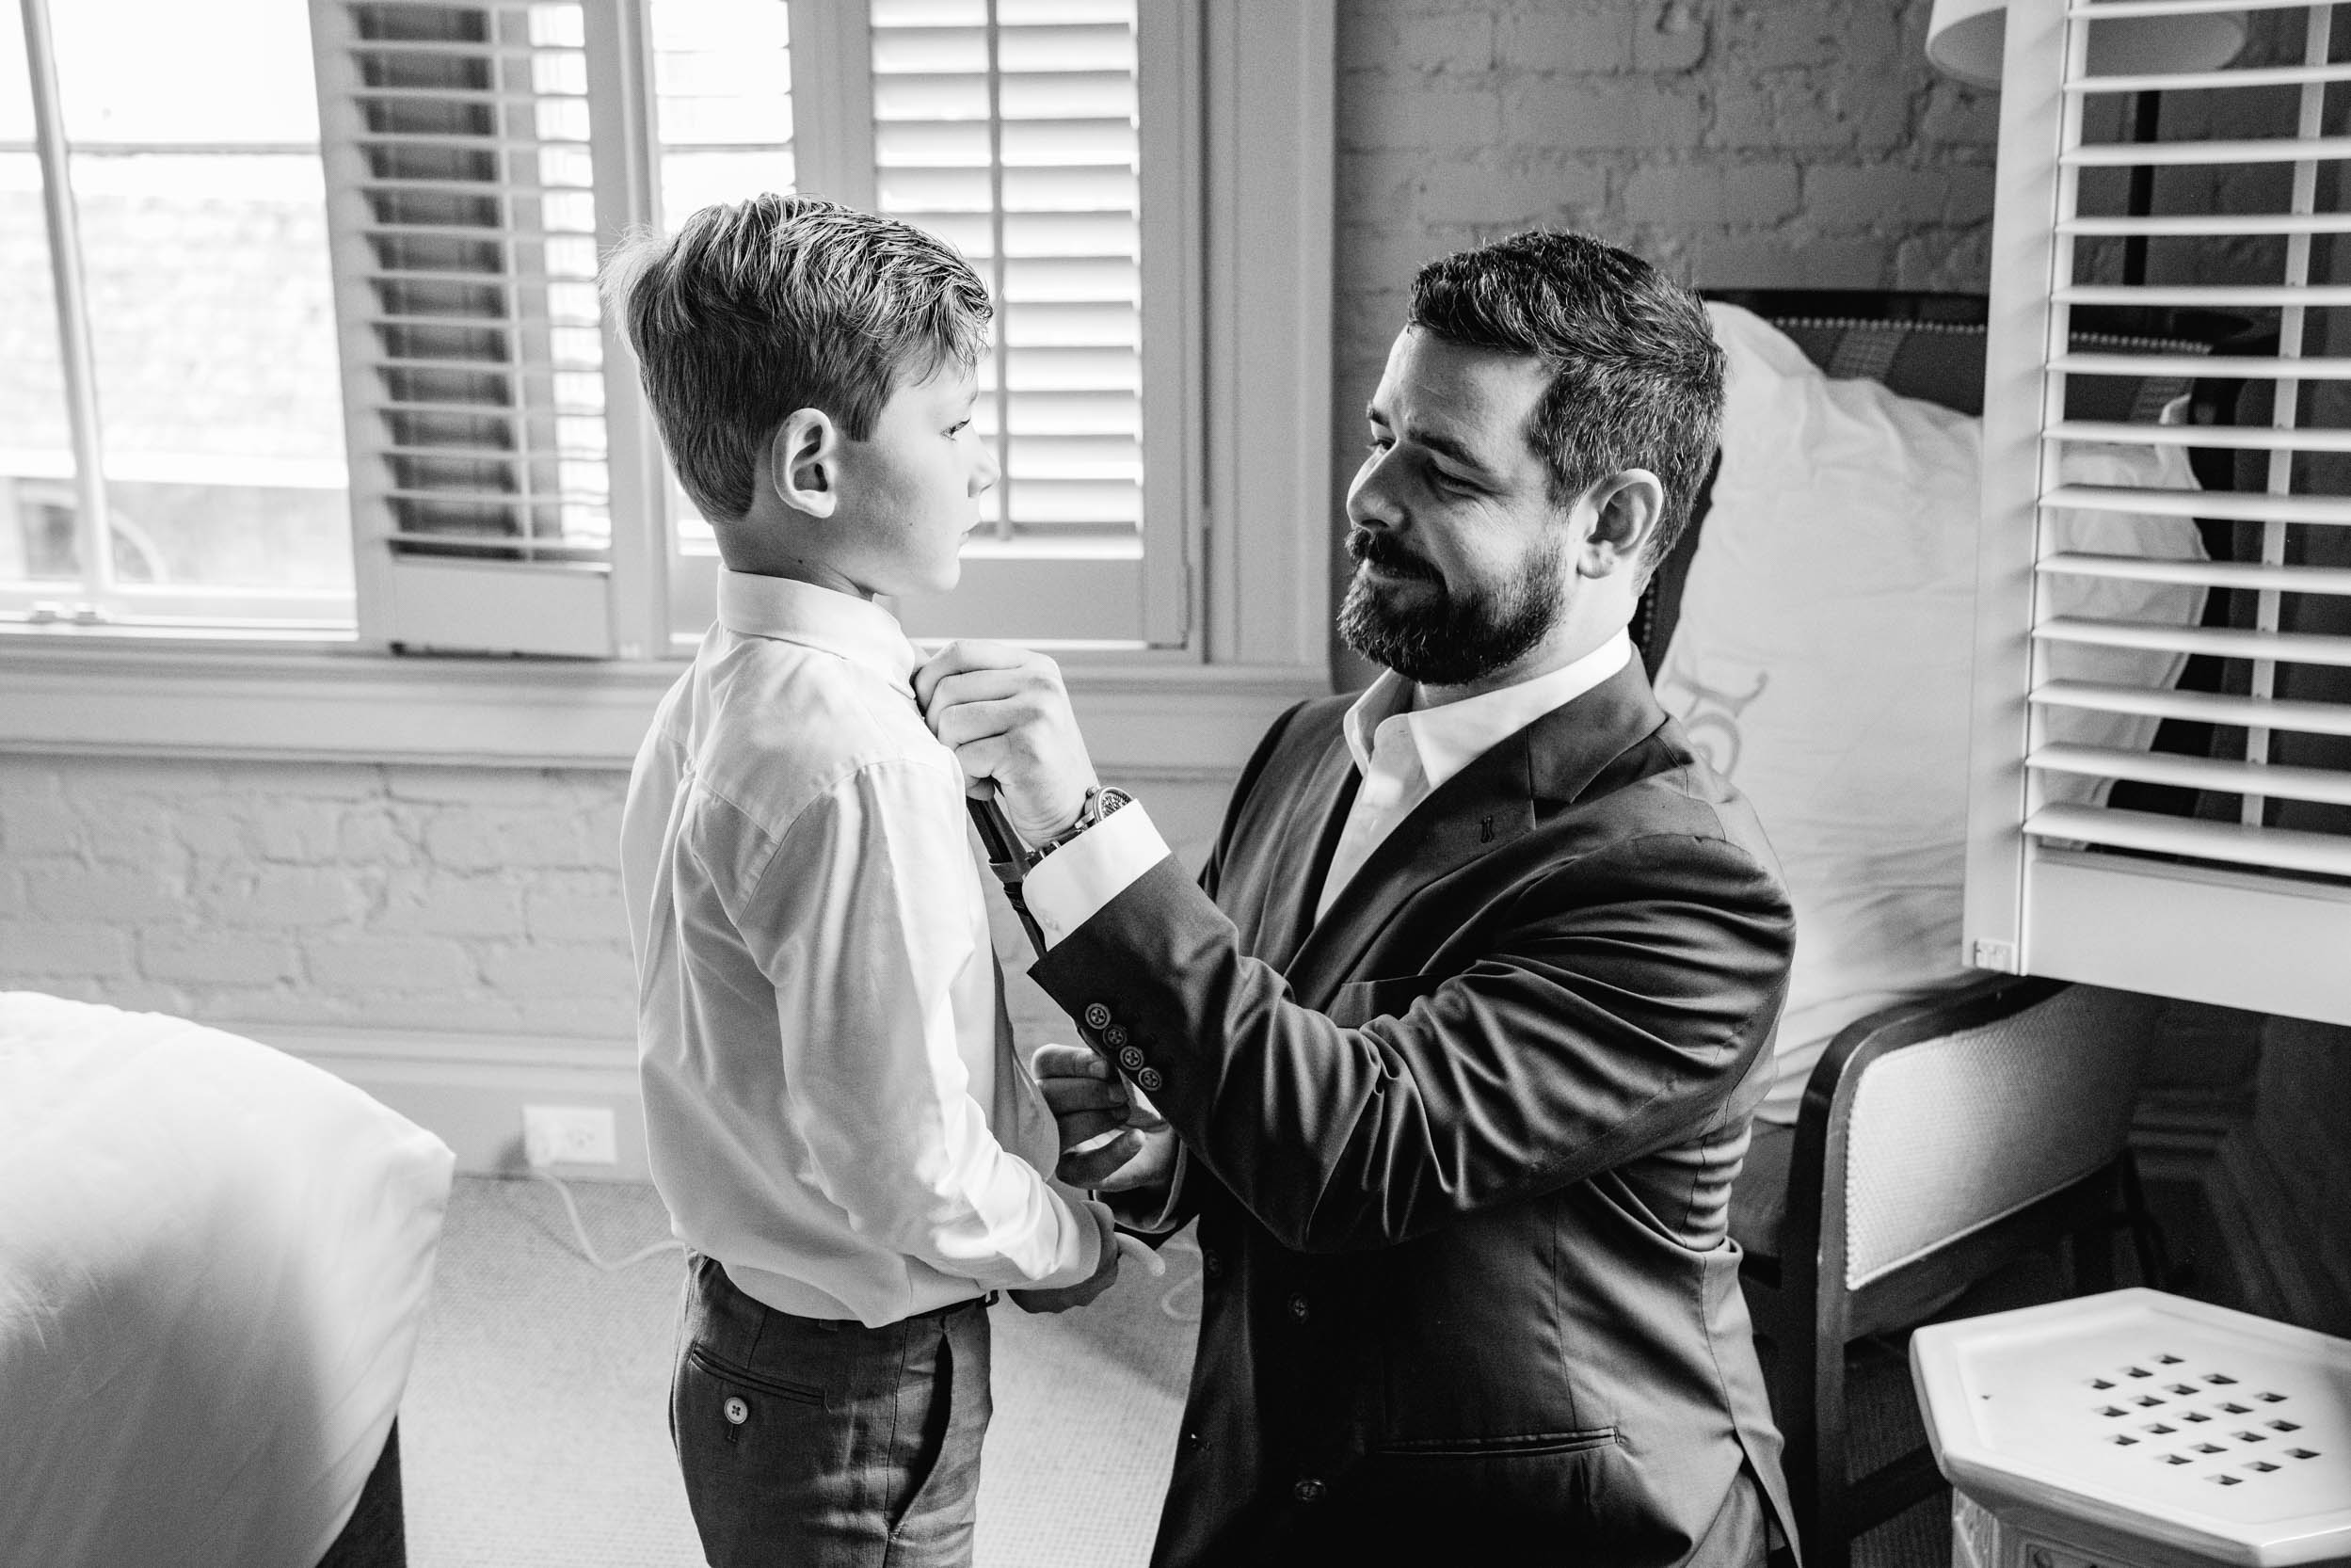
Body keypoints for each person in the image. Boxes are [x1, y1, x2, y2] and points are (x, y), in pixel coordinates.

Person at [917, 230, 1799, 1565]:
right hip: (1274, 1485)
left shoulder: (1682, 889)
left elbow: (1350, 1149)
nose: (1370, 492)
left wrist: (1073, 824)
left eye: (1442, 467)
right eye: (1381, 433)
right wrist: (1177, 1147)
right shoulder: (1302, 749)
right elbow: (1264, 1079)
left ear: (1612, 523)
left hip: (1561, 1531)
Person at [606, 193, 1127, 1568]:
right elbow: (896, 1161)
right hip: (855, 1388)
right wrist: (1067, 1236)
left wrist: (1013, 1105)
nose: (984, 469)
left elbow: (806, 1055)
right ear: (815, 465)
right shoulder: (850, 761)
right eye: (954, 430)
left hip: (756, 1341)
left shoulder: (722, 693)